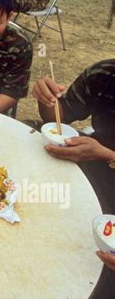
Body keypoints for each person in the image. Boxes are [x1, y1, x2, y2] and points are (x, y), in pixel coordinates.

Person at [32, 59, 115, 213]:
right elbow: (58, 119)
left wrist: (107, 155)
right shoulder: (103, 74)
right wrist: (48, 99)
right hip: (93, 158)